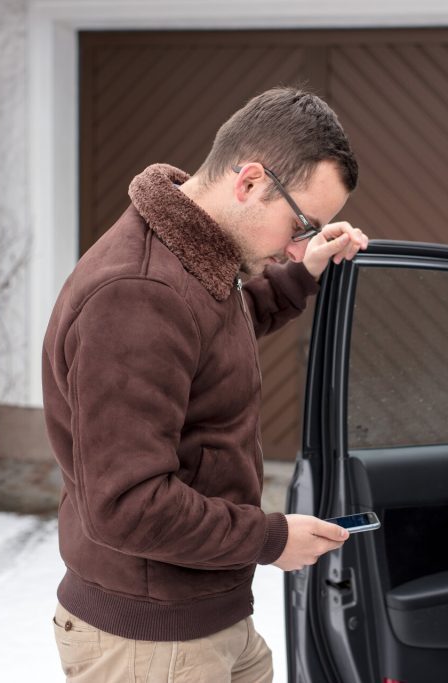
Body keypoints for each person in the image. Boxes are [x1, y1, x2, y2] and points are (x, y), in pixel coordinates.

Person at [42, 87, 368, 682]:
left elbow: (215, 337)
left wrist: (305, 270)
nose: (299, 243)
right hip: (151, 641)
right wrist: (271, 539)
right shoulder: (139, 294)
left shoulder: (198, 260)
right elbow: (126, 508)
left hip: (200, 618)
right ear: (248, 183)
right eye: (302, 225)